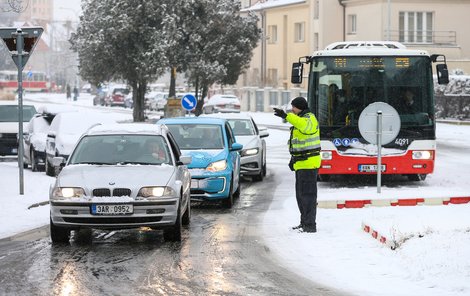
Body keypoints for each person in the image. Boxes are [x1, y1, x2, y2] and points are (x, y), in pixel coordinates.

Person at [273, 97, 321, 233]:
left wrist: (285, 115)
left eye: (294, 107)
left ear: (300, 107)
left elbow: (302, 125)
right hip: (301, 163)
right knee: (301, 196)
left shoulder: (309, 119)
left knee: (308, 197)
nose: (292, 110)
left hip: (309, 164)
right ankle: (304, 222)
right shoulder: (301, 119)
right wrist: (294, 158)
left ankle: (310, 225)